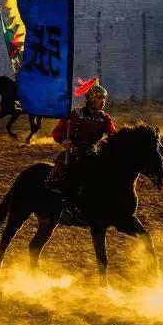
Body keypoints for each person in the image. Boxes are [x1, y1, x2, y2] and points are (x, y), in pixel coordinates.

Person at [47, 78, 117, 223]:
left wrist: (108, 141)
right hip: (75, 153)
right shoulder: (74, 114)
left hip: (93, 153)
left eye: (104, 98)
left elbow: (113, 135)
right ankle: (68, 208)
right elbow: (57, 132)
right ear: (91, 98)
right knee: (75, 175)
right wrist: (63, 140)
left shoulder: (105, 118)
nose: (103, 101)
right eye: (99, 98)